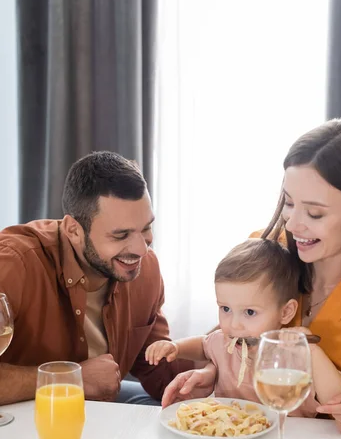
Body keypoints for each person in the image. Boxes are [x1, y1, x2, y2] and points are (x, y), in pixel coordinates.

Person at [0, 151, 201, 405]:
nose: (141, 249)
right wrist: (71, 379)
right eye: (121, 235)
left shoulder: (144, 269)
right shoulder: (13, 263)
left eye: (146, 228)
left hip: (97, 417)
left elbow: (157, 368)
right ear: (74, 230)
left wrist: (219, 351)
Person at [252, 118, 341, 434]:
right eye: (289, 203)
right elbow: (232, 339)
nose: (291, 224)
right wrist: (208, 371)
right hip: (258, 436)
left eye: (315, 213)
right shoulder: (262, 255)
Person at [146, 239, 341, 412]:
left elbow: (336, 399)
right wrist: (176, 348)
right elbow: (204, 345)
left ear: (285, 312)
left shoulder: (294, 353)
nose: (234, 324)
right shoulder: (226, 343)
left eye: (250, 312)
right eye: (225, 309)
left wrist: (310, 350)